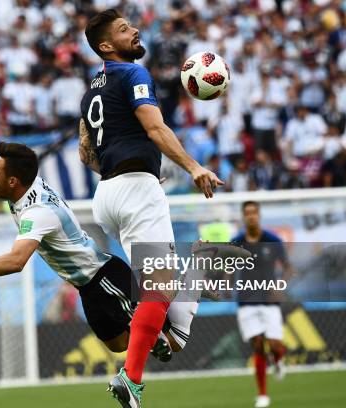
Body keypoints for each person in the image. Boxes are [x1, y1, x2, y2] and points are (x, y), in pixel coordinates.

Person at [0, 142, 169, 355]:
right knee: (118, 345)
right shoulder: (21, 186)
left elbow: (15, 261)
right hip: (86, 285)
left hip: (104, 277)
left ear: (12, 181)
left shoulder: (37, 213)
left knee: (167, 328)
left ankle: (194, 279)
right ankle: (153, 331)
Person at [78, 9, 222, 407]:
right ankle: (132, 379)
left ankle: (186, 287)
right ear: (107, 45)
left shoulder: (92, 88)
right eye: (124, 29)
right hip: (137, 191)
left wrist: (124, 166)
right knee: (157, 289)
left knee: (172, 332)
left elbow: (86, 151)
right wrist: (193, 167)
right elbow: (156, 128)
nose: (136, 30)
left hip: (107, 194)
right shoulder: (133, 75)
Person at [232, 201, 295, 408]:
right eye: (247, 213)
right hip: (246, 299)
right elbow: (228, 269)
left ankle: (278, 359)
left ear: (259, 215)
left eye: (254, 213)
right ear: (244, 216)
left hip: (269, 300)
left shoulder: (273, 240)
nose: (251, 216)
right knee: (258, 345)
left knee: (275, 345)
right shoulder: (236, 242)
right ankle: (263, 395)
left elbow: (288, 268)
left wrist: (280, 285)